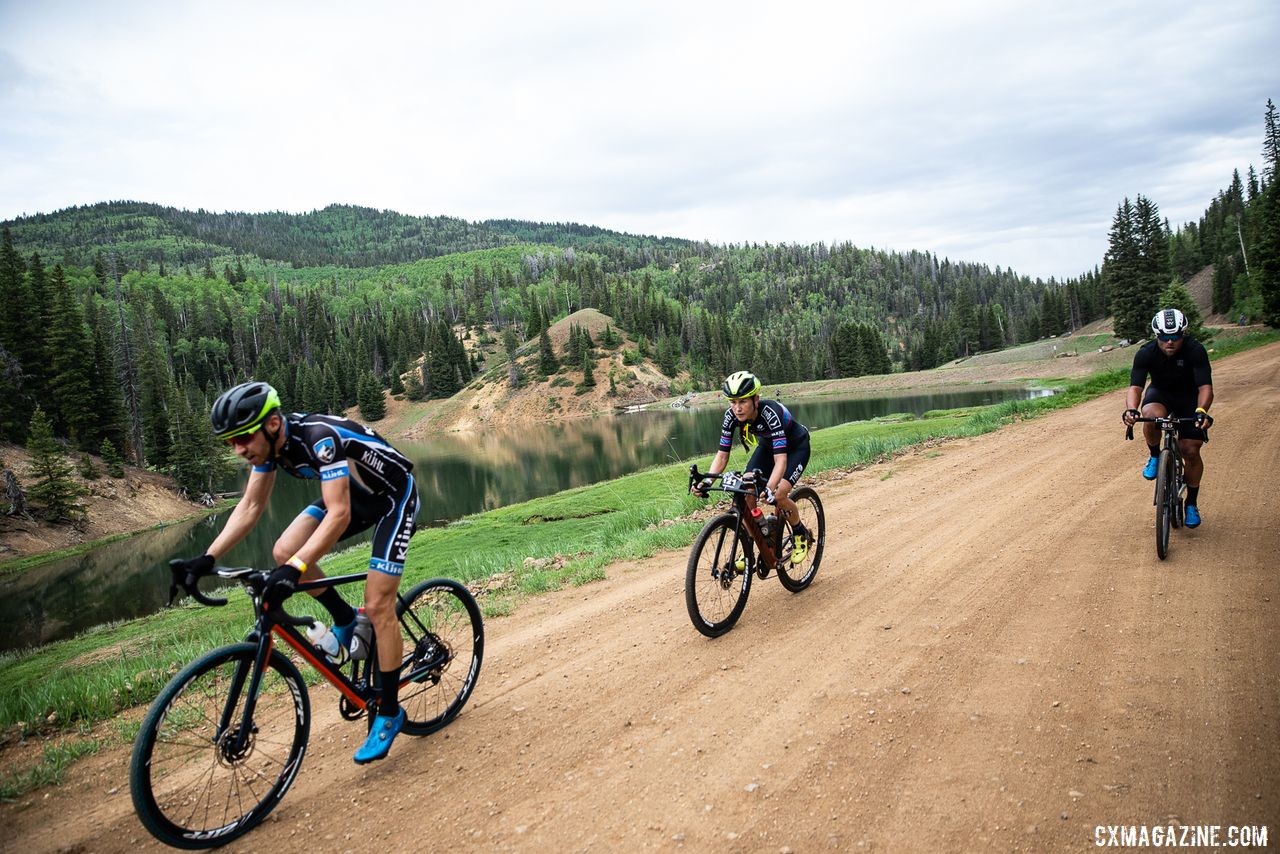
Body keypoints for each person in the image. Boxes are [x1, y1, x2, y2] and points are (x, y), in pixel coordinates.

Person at [174, 381, 419, 763]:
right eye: (231, 443)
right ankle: (344, 618)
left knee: (378, 606)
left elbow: (338, 515)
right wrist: (206, 557)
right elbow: (251, 506)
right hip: (355, 496)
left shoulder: (319, 439)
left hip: (393, 498)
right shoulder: (272, 449)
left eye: (242, 439)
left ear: (272, 424)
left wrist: (296, 569)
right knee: (283, 549)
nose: (239, 450)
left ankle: (388, 711)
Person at [691, 371, 813, 563]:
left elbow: (780, 460)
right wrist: (707, 480)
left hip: (795, 447)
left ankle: (800, 534)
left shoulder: (770, 413)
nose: (737, 408)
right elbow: (722, 456)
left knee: (779, 495)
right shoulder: (731, 417)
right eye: (732, 402)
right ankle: (749, 545)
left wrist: (770, 488)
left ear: (756, 399)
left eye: (742, 402)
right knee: (746, 487)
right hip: (767, 447)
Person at [1121, 309, 1214, 527]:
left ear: (1183, 333)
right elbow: (1136, 386)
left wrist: (1201, 411)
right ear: (1157, 336)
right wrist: (1131, 409)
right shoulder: (1146, 353)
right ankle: (1155, 455)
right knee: (1151, 416)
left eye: (1175, 337)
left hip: (1189, 397)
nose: (1169, 342)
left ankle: (1191, 503)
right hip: (1160, 393)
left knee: (1190, 449)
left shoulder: (1195, 350)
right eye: (1164, 337)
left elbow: (1205, 387)